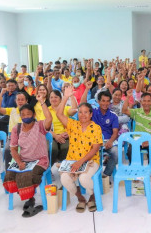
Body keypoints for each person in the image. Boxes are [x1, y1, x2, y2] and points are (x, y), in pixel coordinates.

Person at [3, 97, 52, 218]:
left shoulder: (40, 126)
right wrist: (19, 162)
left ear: (34, 114)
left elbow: (49, 118)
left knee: (24, 175)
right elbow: (13, 149)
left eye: (28, 114)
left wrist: (42, 102)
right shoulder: (17, 128)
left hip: (40, 161)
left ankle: (30, 200)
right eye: (23, 114)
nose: (25, 116)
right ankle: (27, 195)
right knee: (9, 174)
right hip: (23, 160)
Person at [56, 85, 103, 213]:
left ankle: (92, 195)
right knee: (64, 178)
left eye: (86, 112)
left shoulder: (96, 128)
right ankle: (81, 198)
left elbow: (94, 149)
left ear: (91, 114)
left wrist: (80, 162)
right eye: (80, 112)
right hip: (72, 160)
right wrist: (65, 96)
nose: (82, 115)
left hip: (90, 160)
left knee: (84, 179)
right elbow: (59, 114)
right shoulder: (73, 124)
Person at [82, 85, 119, 178]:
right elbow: (82, 104)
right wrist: (87, 89)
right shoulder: (92, 113)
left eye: (107, 101)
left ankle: (105, 175)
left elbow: (115, 132)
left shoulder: (113, 115)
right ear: (98, 101)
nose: (105, 103)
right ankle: (91, 176)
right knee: (89, 154)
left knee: (116, 153)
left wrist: (110, 141)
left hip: (107, 141)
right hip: (93, 142)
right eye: (103, 101)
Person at [122, 92, 151, 173]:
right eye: (144, 101)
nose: (146, 103)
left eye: (148, 101)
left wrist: (148, 140)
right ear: (141, 101)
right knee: (130, 151)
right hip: (137, 139)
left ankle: (149, 171)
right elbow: (124, 110)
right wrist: (127, 98)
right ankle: (136, 169)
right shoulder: (137, 112)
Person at [49, 90, 78, 164]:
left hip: (65, 135)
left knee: (66, 147)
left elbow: (74, 110)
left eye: (56, 97)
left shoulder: (65, 108)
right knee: (52, 149)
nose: (53, 99)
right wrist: (56, 136)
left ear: (61, 99)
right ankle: (49, 167)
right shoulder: (47, 110)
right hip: (52, 135)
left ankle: (63, 164)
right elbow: (45, 127)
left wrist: (71, 95)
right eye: (51, 97)